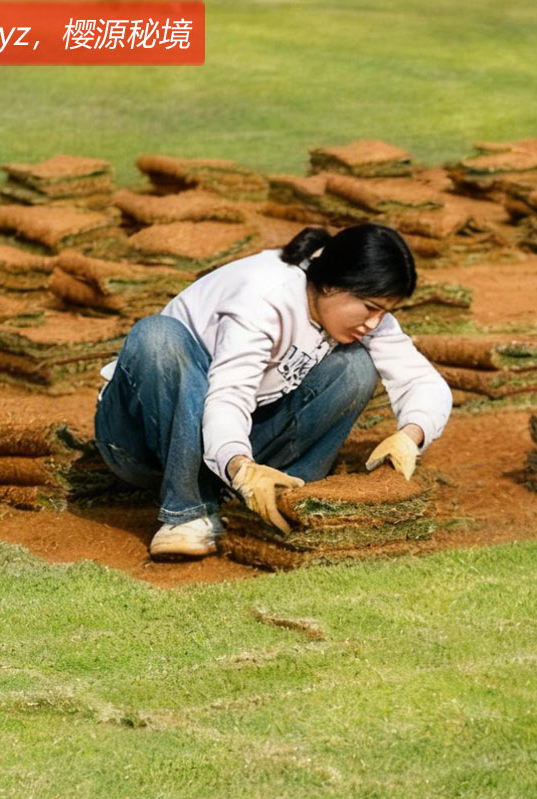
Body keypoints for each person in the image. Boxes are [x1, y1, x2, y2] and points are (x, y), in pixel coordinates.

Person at [93, 222, 451, 560]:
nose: (374, 322)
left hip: (226, 442)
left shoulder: (353, 302)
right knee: (157, 337)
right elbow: (228, 394)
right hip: (143, 442)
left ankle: (284, 497)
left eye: (385, 311)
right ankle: (187, 512)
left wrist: (411, 435)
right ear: (331, 285)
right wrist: (241, 467)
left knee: (355, 366)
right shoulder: (263, 295)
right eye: (371, 308)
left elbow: (421, 379)